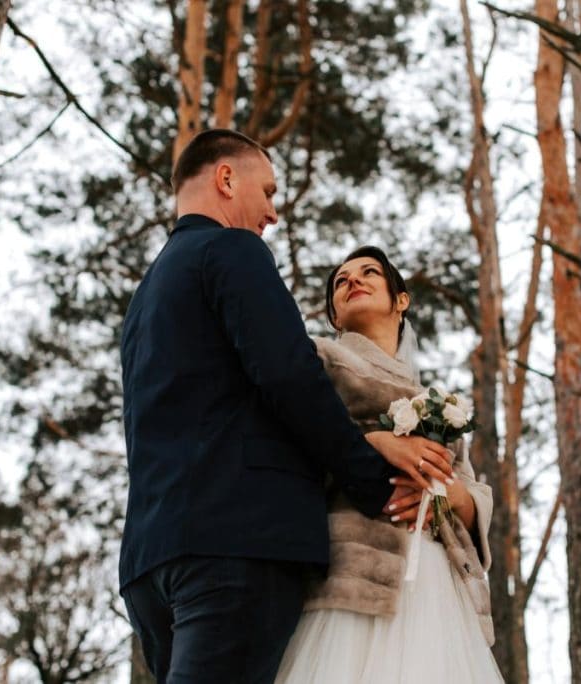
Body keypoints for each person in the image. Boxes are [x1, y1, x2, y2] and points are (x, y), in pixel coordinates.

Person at [118, 131, 454, 683]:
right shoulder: (231, 249)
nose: (272, 213)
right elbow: (287, 373)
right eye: (268, 192)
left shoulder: (146, 296)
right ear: (227, 179)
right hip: (235, 545)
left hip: (149, 561)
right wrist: (371, 475)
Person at [275, 246, 504, 683]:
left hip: (436, 580)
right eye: (341, 281)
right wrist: (373, 441)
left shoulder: (436, 403)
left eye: (368, 273)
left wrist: (450, 493)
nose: (352, 281)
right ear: (335, 317)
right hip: (354, 574)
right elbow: (296, 446)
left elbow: (471, 494)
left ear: (401, 300)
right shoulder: (316, 362)